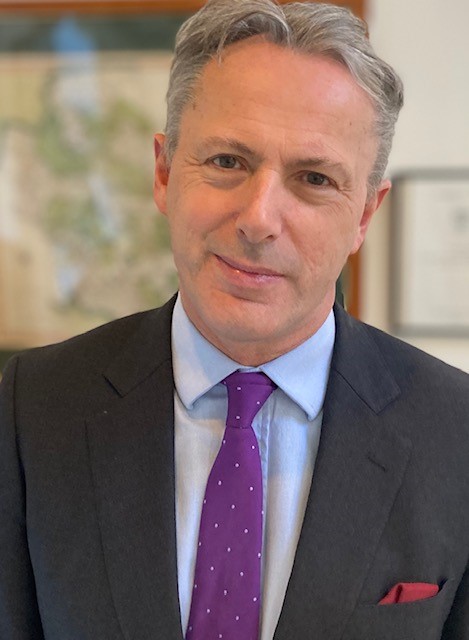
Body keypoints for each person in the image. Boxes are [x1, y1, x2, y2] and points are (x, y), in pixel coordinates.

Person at [1, 1, 468, 638]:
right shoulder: (33, 409)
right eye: (227, 162)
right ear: (164, 173)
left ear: (364, 213)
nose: (258, 218)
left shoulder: (457, 435)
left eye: (314, 178)